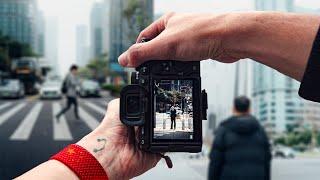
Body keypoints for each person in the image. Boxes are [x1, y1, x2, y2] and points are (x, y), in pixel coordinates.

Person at [16, 11, 320, 179]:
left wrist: (228, 32)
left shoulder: (226, 131)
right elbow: (265, 161)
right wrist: (229, 33)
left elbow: (216, 163)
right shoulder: (259, 133)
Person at [208, 96, 271, 180]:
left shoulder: (223, 130)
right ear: (249, 109)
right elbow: (267, 161)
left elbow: (215, 161)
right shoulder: (260, 130)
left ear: (233, 109)